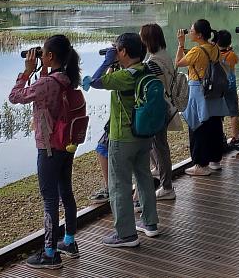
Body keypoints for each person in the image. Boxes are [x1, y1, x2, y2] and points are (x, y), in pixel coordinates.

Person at [8, 35, 82, 269]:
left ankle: (50, 253)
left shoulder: (47, 82)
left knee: (50, 200)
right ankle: (68, 241)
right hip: (66, 145)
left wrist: (27, 72)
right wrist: (41, 69)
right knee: (66, 193)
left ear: (49, 56)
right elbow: (47, 90)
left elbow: (15, 96)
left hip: (49, 147)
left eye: (43, 53)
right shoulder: (66, 78)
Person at [90, 33, 159, 247]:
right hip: (144, 135)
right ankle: (150, 223)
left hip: (123, 138)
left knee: (119, 184)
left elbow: (94, 81)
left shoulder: (124, 77)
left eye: (118, 50)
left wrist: (108, 60)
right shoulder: (147, 69)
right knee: (144, 178)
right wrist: (116, 59)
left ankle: (125, 234)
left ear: (124, 52)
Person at [176, 19, 229, 176]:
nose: (189, 32)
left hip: (198, 90)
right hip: (213, 90)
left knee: (197, 125)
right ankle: (215, 160)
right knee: (214, 124)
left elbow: (178, 63)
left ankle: (200, 164)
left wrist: (180, 44)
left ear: (199, 35)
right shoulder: (214, 47)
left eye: (191, 30)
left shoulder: (197, 51)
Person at [139, 23, 178, 201]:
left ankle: (167, 186)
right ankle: (160, 174)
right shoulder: (163, 55)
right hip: (165, 106)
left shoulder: (153, 62)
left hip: (157, 110)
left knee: (160, 146)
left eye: (142, 37)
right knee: (158, 145)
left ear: (148, 40)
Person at [216, 30, 239, 146]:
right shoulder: (232, 55)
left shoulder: (214, 54)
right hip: (230, 85)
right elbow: (236, 61)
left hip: (219, 86)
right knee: (234, 112)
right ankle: (236, 137)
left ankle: (221, 136)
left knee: (219, 113)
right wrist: (230, 50)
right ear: (229, 42)